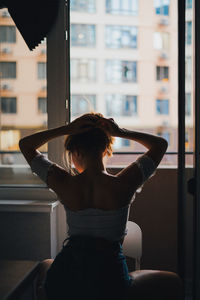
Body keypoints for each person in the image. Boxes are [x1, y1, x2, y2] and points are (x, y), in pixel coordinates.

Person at [19, 113, 183, 300]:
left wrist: (67, 129)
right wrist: (121, 132)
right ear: (106, 149)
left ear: (76, 151)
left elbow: (26, 145)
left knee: (46, 265)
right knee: (173, 281)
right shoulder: (125, 183)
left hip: (66, 275)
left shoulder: (63, 182)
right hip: (109, 282)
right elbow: (160, 145)